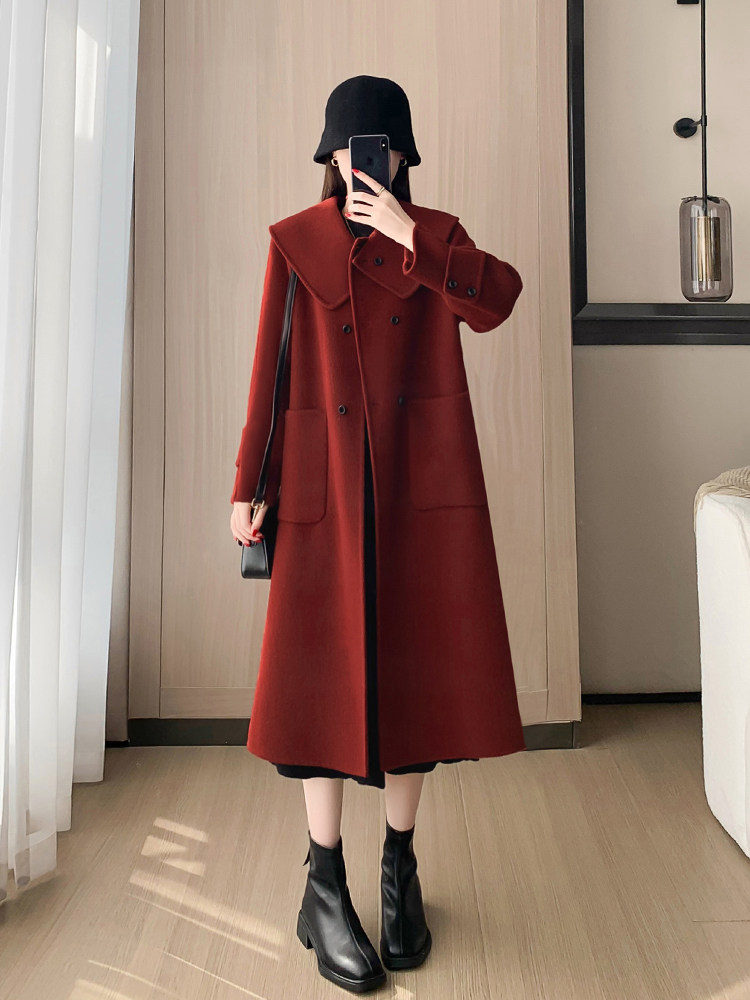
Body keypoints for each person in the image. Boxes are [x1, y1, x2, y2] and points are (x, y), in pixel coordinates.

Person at [230, 75, 526, 993]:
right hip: (323, 488)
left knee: (413, 684)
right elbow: (271, 366)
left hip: (413, 489)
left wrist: (412, 235)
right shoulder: (296, 242)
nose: (368, 163)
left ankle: (400, 870)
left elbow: (499, 300)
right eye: (353, 149)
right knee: (318, 689)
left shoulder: (435, 237)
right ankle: (325, 887)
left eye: (383, 149)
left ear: (403, 157)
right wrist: (248, 484)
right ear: (331, 157)